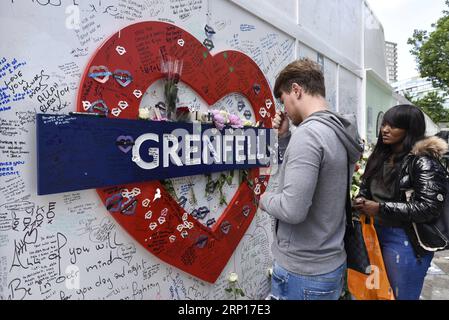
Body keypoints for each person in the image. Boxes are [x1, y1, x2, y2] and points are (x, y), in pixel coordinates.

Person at [259, 58, 363, 300]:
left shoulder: (308, 135)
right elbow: (316, 178)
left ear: (296, 89)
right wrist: (285, 139)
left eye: (283, 99)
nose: (283, 108)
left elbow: (293, 209)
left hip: (304, 273)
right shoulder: (339, 130)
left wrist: (261, 199)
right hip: (329, 263)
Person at [353, 104, 448, 300]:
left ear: (410, 129)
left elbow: (428, 207)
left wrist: (380, 208)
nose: (385, 129)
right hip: (373, 233)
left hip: (404, 239)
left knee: (400, 295)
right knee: (372, 294)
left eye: (394, 126)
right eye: (384, 124)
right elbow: (366, 188)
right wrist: (361, 200)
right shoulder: (381, 156)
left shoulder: (423, 161)